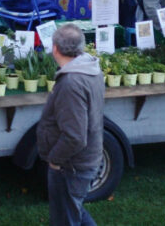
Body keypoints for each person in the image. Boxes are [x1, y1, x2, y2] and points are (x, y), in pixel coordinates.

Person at [37, 23, 104, 226]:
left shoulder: (71, 83)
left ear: (55, 48)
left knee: (65, 217)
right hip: (84, 160)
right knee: (72, 209)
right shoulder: (89, 69)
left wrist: (55, 160)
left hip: (71, 166)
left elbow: (74, 136)